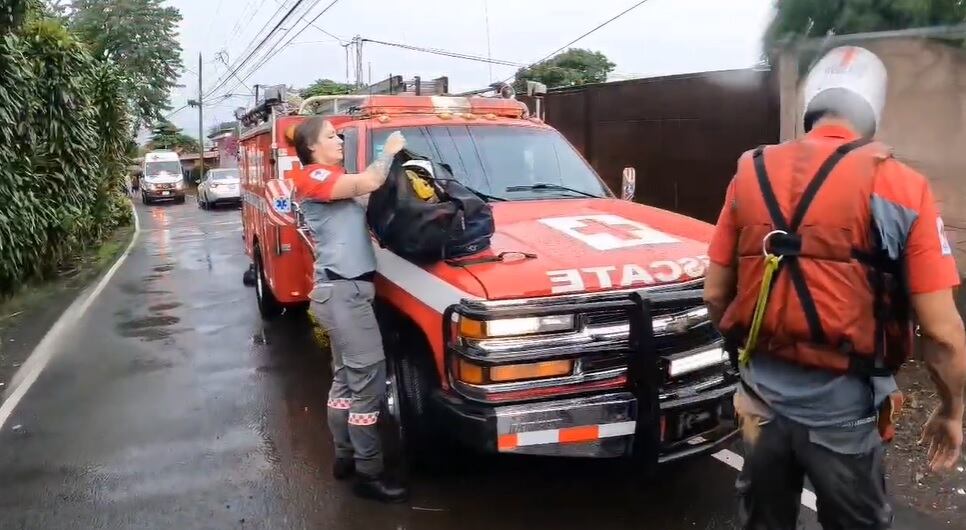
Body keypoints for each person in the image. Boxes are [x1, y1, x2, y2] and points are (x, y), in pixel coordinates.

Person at [703, 45, 966, 530]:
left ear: (812, 104)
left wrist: (753, 354)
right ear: (873, 109)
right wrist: (952, 411)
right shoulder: (902, 186)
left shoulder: (749, 174)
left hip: (759, 403)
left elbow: (715, 294)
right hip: (845, 413)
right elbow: (943, 334)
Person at [290, 117, 407, 503]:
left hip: (343, 293)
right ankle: (368, 473)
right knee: (368, 381)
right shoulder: (313, 176)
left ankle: (345, 457)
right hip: (344, 294)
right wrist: (387, 152)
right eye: (330, 136)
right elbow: (369, 181)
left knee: (344, 380)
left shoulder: (333, 179)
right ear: (311, 147)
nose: (338, 140)